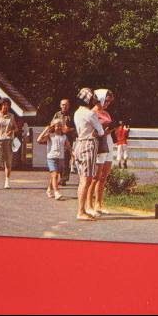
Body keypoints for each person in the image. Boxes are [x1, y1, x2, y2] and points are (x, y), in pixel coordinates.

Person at [72, 88, 104, 221]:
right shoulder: (90, 114)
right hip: (88, 145)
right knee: (87, 180)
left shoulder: (77, 112)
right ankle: (80, 211)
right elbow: (101, 131)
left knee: (82, 180)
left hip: (79, 144)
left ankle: (82, 209)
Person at [88, 88, 116, 216]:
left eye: (109, 102)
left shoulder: (107, 113)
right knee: (95, 176)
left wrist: (112, 128)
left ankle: (99, 204)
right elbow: (94, 130)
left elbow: (107, 130)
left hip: (108, 141)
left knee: (104, 176)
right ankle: (89, 205)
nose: (107, 103)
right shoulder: (92, 112)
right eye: (106, 100)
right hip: (99, 143)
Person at [0, 97, 17, 190]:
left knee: (8, 162)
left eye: (7, 105)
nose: (5, 107)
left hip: (8, 141)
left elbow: (16, 128)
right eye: (4, 105)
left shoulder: (11, 116)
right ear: (0, 105)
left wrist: (12, 130)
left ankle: (7, 182)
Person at [37, 122, 66, 200]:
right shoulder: (50, 135)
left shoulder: (64, 136)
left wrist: (72, 153)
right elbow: (38, 140)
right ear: (54, 127)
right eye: (57, 126)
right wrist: (45, 130)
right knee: (55, 175)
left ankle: (49, 189)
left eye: (60, 126)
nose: (59, 127)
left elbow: (68, 145)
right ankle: (56, 192)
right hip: (51, 157)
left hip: (60, 158)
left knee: (54, 175)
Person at [51, 99, 75, 186]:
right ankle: (61, 176)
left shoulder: (72, 115)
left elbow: (75, 127)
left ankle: (64, 178)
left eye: (66, 105)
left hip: (68, 138)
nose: (64, 106)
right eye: (63, 105)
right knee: (59, 158)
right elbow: (52, 125)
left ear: (69, 106)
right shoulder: (57, 114)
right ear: (60, 105)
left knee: (65, 158)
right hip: (58, 138)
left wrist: (69, 129)